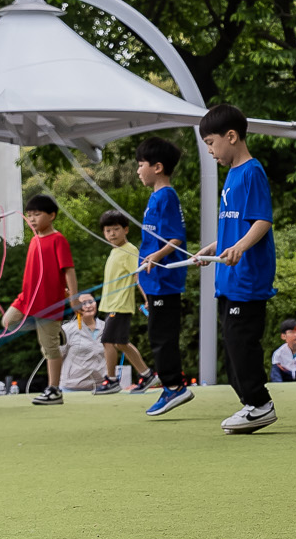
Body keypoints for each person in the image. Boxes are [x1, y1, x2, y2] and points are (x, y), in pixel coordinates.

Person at [202, 104, 282, 434]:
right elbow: (233, 228)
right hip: (229, 278)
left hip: (248, 279)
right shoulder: (232, 176)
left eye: (211, 142)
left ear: (231, 136)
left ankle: (260, 404)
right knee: (231, 346)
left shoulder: (251, 172)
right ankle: (251, 405)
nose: (209, 150)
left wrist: (240, 248)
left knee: (241, 344)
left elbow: (262, 220)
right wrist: (216, 249)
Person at [134, 138, 195, 417]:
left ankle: (174, 386)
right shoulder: (156, 196)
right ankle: (171, 383)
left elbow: (176, 238)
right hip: (153, 280)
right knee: (157, 333)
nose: (138, 170)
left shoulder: (166, 195)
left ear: (157, 167)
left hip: (164, 280)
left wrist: (156, 257)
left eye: (141, 165)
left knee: (162, 336)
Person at [0, 195, 77, 404]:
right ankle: (56, 332)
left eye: (37, 214)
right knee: (8, 322)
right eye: (29, 215)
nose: (32, 219)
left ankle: (54, 391)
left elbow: (68, 270)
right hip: (27, 299)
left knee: (49, 348)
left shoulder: (58, 239)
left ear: (51, 216)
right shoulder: (34, 239)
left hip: (49, 302)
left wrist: (73, 296)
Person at [93, 209, 151, 394]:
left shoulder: (130, 250)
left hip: (120, 305)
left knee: (109, 341)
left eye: (116, 229)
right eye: (108, 230)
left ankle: (111, 380)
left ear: (125, 230)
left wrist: (147, 299)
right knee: (118, 342)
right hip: (110, 305)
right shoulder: (115, 251)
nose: (112, 233)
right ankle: (147, 374)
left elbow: (138, 276)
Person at [59, 293, 112, 391]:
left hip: (101, 388)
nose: (88, 306)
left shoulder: (107, 328)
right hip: (70, 388)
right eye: (83, 303)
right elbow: (56, 357)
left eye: (91, 302)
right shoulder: (67, 330)